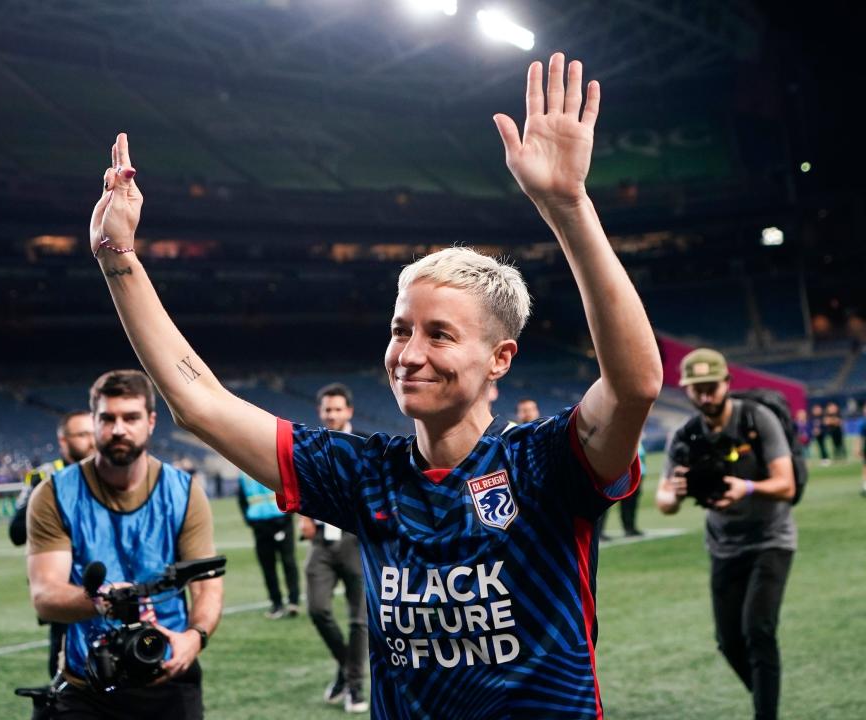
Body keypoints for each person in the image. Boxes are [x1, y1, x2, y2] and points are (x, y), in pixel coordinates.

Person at [89, 52, 661, 718]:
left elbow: (636, 384)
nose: (408, 354)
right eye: (399, 330)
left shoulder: (546, 462)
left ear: (500, 358)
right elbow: (199, 403)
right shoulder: (365, 476)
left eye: (439, 335)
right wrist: (119, 260)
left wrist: (567, 206)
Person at [26, 370, 222, 719]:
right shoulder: (54, 494)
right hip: (87, 683)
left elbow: (207, 588)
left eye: (130, 417)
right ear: (95, 421)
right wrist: (101, 600)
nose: (118, 429)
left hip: (167, 674)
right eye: (107, 418)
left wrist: (194, 637)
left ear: (150, 421)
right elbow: (45, 596)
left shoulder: (184, 492)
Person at [655, 348, 796, 720]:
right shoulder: (685, 436)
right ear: (686, 390)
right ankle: (765, 697)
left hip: (770, 540)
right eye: (696, 388)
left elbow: (786, 484)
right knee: (729, 642)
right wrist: (677, 492)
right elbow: (664, 500)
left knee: (758, 630)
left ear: (727, 384)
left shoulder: (757, 418)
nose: (705, 396)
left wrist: (745, 487)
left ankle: (766, 714)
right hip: (723, 546)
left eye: (711, 387)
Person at [298, 383, 369, 713]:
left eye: (338, 409)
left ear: (349, 412)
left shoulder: (367, 444)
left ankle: (354, 687)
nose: (332, 415)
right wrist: (304, 515)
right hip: (322, 544)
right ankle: (346, 668)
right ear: (320, 412)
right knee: (317, 609)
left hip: (355, 541)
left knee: (359, 620)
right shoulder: (312, 445)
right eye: (327, 409)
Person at [10, 410, 94, 679]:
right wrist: (47, 499)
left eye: (94, 433)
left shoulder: (113, 471)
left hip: (112, 579)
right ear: (63, 441)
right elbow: (16, 532)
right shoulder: (44, 477)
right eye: (82, 435)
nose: (91, 441)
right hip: (64, 585)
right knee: (64, 670)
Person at [237, 469, 301, 619]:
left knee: (288, 561)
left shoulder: (272, 462)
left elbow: (289, 486)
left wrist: (289, 514)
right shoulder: (244, 473)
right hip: (260, 524)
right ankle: (277, 604)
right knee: (268, 566)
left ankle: (293, 601)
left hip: (282, 520)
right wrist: (250, 521)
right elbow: (242, 499)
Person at [596, 439, 645, 540]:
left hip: (634, 474)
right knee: (604, 502)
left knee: (630, 502)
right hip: (618, 473)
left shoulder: (634, 440)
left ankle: (629, 528)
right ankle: (599, 532)